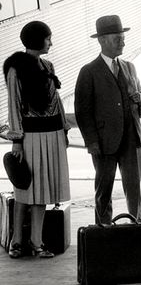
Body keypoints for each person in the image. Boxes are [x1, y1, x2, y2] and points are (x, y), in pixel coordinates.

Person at [3, 21, 71, 258]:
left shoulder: (47, 65)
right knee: (25, 188)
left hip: (52, 134)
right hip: (31, 136)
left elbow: (57, 102)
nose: (51, 42)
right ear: (36, 39)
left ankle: (36, 241)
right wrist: (17, 139)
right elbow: (14, 105)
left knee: (41, 191)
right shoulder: (15, 69)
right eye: (48, 38)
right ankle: (17, 241)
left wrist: (64, 129)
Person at [74, 15, 141, 225]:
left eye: (123, 38)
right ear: (102, 40)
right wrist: (92, 142)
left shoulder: (129, 67)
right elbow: (83, 111)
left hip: (131, 138)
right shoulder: (88, 72)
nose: (123, 42)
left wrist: (140, 98)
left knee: (134, 187)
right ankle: (103, 229)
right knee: (103, 188)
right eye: (117, 38)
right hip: (104, 142)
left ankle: (138, 225)